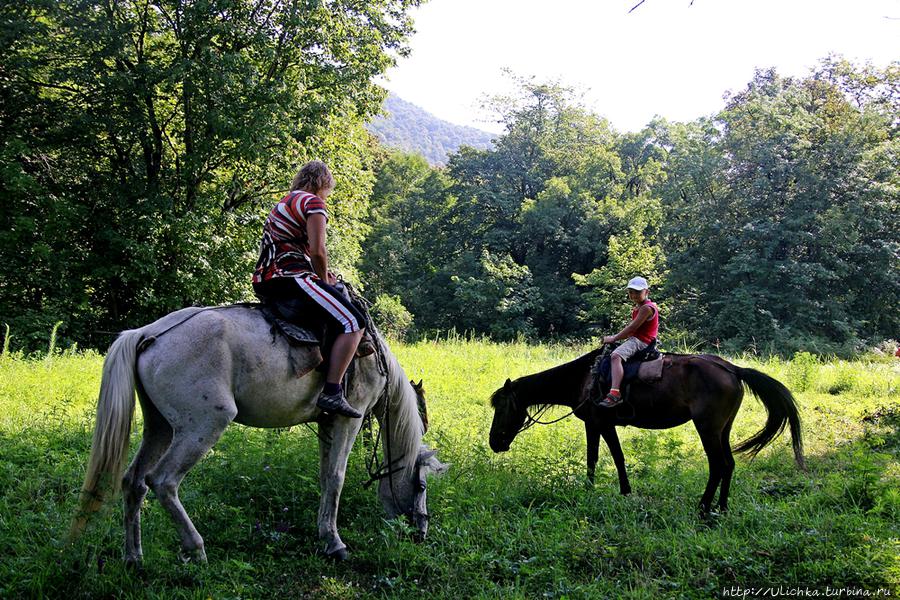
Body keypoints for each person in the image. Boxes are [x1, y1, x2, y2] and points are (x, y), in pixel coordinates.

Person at [252, 160, 366, 418]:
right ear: (322, 183)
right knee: (354, 322)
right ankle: (333, 392)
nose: (328, 195)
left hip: (267, 279)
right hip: (291, 276)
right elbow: (317, 250)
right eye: (329, 189)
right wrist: (323, 278)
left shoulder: (284, 203)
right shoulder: (313, 203)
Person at [594, 276, 659, 408]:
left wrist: (613, 338)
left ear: (647, 292)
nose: (633, 295)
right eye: (631, 292)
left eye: (637, 292)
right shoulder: (639, 307)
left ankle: (615, 393)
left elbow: (631, 328)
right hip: (637, 339)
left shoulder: (646, 308)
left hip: (641, 341)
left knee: (616, 356)